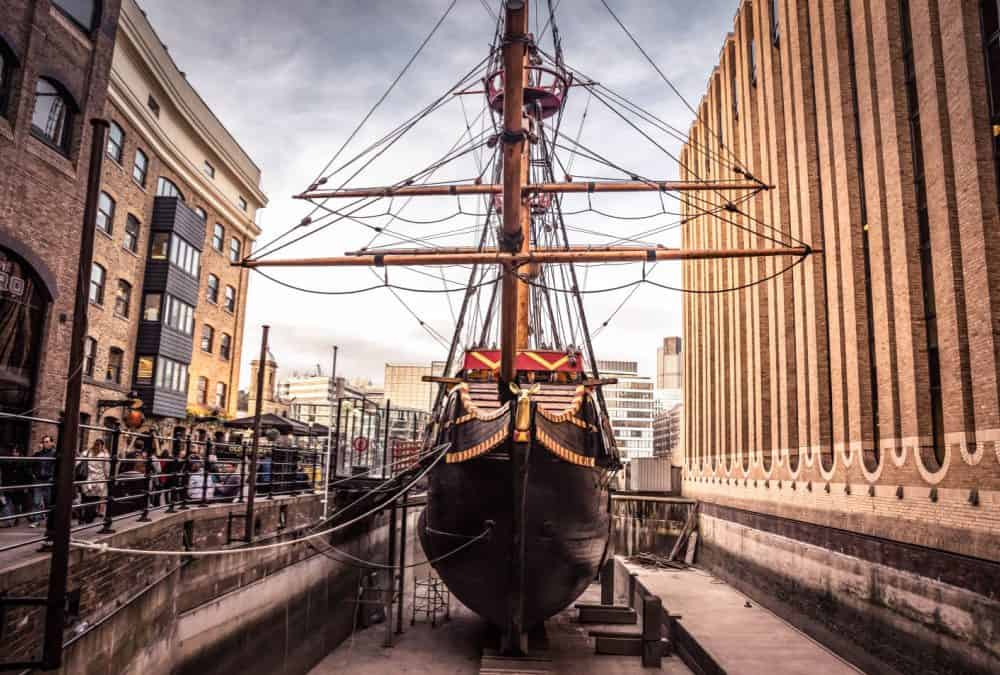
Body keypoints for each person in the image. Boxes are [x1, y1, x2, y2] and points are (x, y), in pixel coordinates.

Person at [76, 438, 109, 524]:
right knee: (93, 501)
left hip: (87, 480)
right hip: (98, 482)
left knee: (85, 499)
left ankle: (83, 518)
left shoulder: (86, 453)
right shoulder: (105, 455)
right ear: (102, 446)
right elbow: (107, 470)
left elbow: (77, 464)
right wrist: (108, 479)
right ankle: (88, 518)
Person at [29, 435, 56, 526]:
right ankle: (36, 521)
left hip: (49, 481)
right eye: (44, 442)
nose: (46, 444)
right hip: (38, 480)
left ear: (52, 443)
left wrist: (53, 476)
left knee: (48, 502)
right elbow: (30, 463)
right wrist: (33, 474)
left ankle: (50, 521)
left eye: (48, 442)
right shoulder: (38, 454)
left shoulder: (55, 453)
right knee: (36, 501)